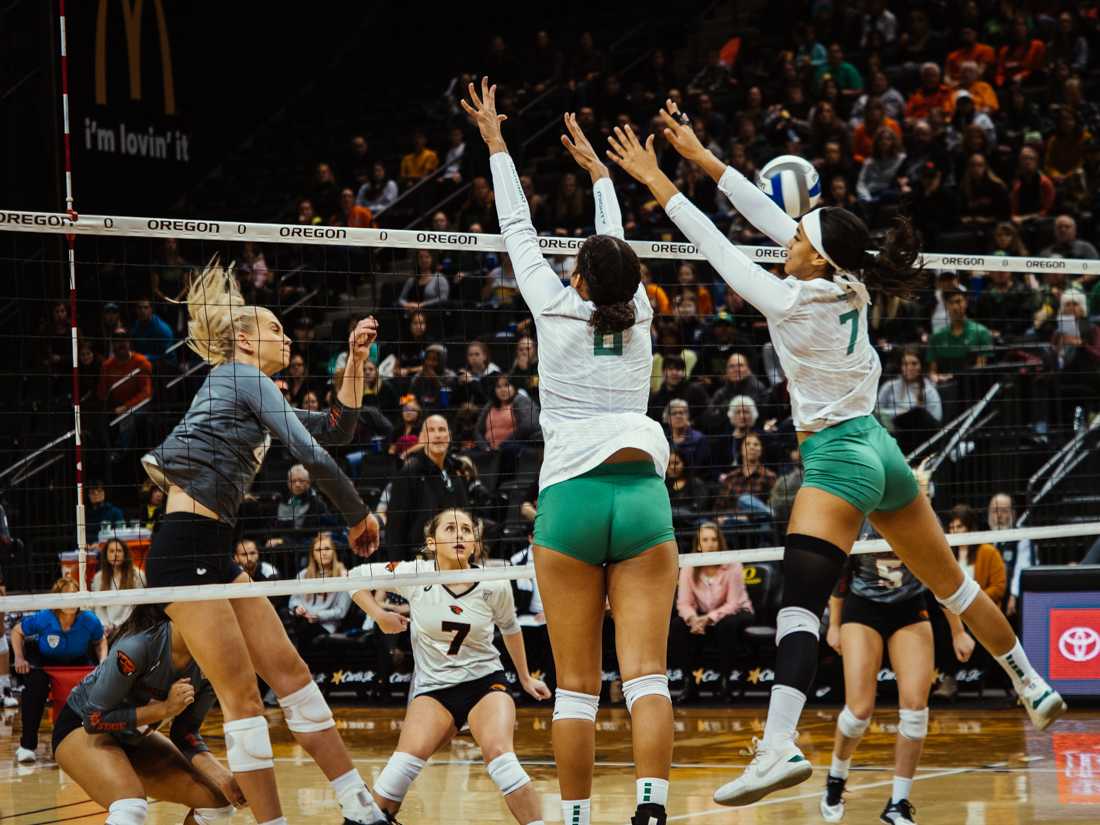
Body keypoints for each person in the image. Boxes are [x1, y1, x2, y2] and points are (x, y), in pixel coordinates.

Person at [608, 99, 1064, 807]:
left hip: (840, 460)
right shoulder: (849, 279)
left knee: (799, 603)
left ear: (813, 254)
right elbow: (769, 217)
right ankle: (1028, 679)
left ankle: (779, 743)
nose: (786, 240)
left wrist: (657, 180)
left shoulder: (790, 302)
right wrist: (700, 157)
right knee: (955, 585)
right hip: (883, 450)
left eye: (798, 238)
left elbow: (715, 247)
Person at [464, 84, 678, 825]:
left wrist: (496, 139)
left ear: (578, 277)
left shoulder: (553, 309)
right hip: (641, 491)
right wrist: (600, 177)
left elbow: (515, 222)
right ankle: (652, 808)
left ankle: (580, 818)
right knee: (648, 675)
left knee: (578, 684)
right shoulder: (642, 310)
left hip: (571, 498)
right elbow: (615, 249)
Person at [139, 260, 388, 825]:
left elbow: (333, 430)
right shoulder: (239, 375)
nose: (288, 337)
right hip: (183, 550)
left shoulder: (250, 387)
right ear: (246, 339)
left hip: (213, 550)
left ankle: (362, 809)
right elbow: (313, 456)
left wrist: (353, 362)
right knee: (243, 700)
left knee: (293, 676)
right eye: (277, 329)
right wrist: (356, 514)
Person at [351, 508, 551, 824]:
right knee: (398, 770)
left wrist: (525, 678)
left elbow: (511, 629)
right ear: (431, 542)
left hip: (485, 682)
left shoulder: (492, 583)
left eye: (467, 530)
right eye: (450, 529)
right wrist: (379, 614)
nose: (459, 535)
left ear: (474, 544)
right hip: (434, 690)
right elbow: (355, 577)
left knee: (501, 757)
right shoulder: (414, 573)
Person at [822, 525, 974, 825]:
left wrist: (958, 631)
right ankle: (836, 776)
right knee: (859, 712)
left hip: (908, 609)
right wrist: (835, 625)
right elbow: (840, 577)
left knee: (916, 710)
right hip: (863, 608)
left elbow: (942, 578)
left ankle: (897, 804)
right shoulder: (858, 517)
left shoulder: (915, 516)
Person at [53, 607, 242, 825]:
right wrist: (164, 709)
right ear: (181, 614)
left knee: (219, 802)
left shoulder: (209, 662)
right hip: (81, 726)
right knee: (129, 809)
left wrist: (223, 777)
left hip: (133, 735)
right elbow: (94, 719)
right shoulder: (138, 646)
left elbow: (185, 733)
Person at [11, 578, 107, 763]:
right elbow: (17, 631)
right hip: (45, 661)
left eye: (74, 595)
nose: (71, 601)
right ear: (57, 598)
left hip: (77, 660)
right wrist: (19, 657)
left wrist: (103, 660)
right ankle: (27, 745)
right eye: (66, 595)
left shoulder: (89, 620)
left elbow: (100, 640)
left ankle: (90, 743)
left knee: (97, 684)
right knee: (34, 685)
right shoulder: (44, 617)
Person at [670, 523, 753, 701]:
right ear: (698, 545)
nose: (710, 544)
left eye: (714, 539)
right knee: (678, 626)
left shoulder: (733, 565)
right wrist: (693, 619)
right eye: (705, 540)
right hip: (703, 615)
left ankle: (725, 683)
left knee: (726, 625)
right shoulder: (688, 567)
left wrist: (707, 619)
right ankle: (689, 683)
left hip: (738, 612)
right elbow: (684, 603)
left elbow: (733, 604)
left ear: (720, 542)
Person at [383, 415, 469, 559]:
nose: (437, 435)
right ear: (422, 438)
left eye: (442, 430)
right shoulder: (409, 472)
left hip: (454, 554)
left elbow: (465, 513)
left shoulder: (455, 469)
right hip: (420, 557)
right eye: (431, 430)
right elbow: (395, 526)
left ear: (449, 436)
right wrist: (397, 565)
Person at [288, 532, 351, 649]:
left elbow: (341, 611)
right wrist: (297, 608)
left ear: (333, 552)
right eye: (318, 550)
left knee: (303, 630)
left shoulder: (344, 576)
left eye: (327, 548)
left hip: (326, 626)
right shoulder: (303, 575)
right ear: (313, 554)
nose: (323, 553)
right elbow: (293, 601)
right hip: (303, 621)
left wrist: (319, 616)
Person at [91, 538, 147, 636]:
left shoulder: (138, 575)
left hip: (130, 628)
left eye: (119, 551)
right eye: (111, 551)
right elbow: (98, 607)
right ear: (106, 555)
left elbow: (135, 607)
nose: (115, 554)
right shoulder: (98, 577)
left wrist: (118, 626)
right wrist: (105, 625)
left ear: (125, 553)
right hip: (105, 629)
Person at [877, 348, 943, 431]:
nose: (909, 367)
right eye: (905, 364)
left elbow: (936, 422)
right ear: (901, 366)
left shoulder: (929, 391)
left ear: (921, 366)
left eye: (914, 364)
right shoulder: (889, 387)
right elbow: (877, 414)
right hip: (889, 434)